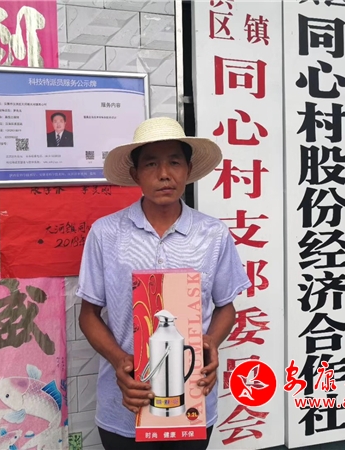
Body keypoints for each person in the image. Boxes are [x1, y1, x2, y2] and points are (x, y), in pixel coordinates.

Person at [77, 117, 251, 450]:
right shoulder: (106, 233)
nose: (164, 174)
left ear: (188, 169)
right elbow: (88, 314)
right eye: (151, 164)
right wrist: (119, 360)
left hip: (192, 401)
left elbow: (226, 307)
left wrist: (211, 343)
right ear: (135, 174)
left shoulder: (213, 234)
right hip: (126, 403)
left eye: (174, 162)